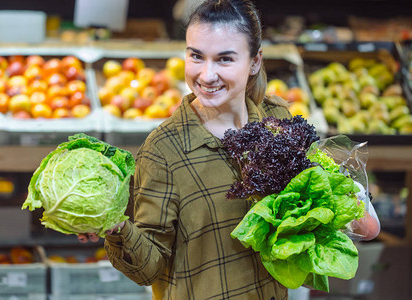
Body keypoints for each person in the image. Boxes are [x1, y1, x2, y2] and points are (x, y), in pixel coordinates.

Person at [78, 0, 379, 298]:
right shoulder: (163, 151)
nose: (207, 75)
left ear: (255, 62)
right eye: (196, 56)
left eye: (224, 59)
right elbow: (148, 269)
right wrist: (116, 227)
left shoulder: (277, 119)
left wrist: (345, 197)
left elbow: (316, 220)